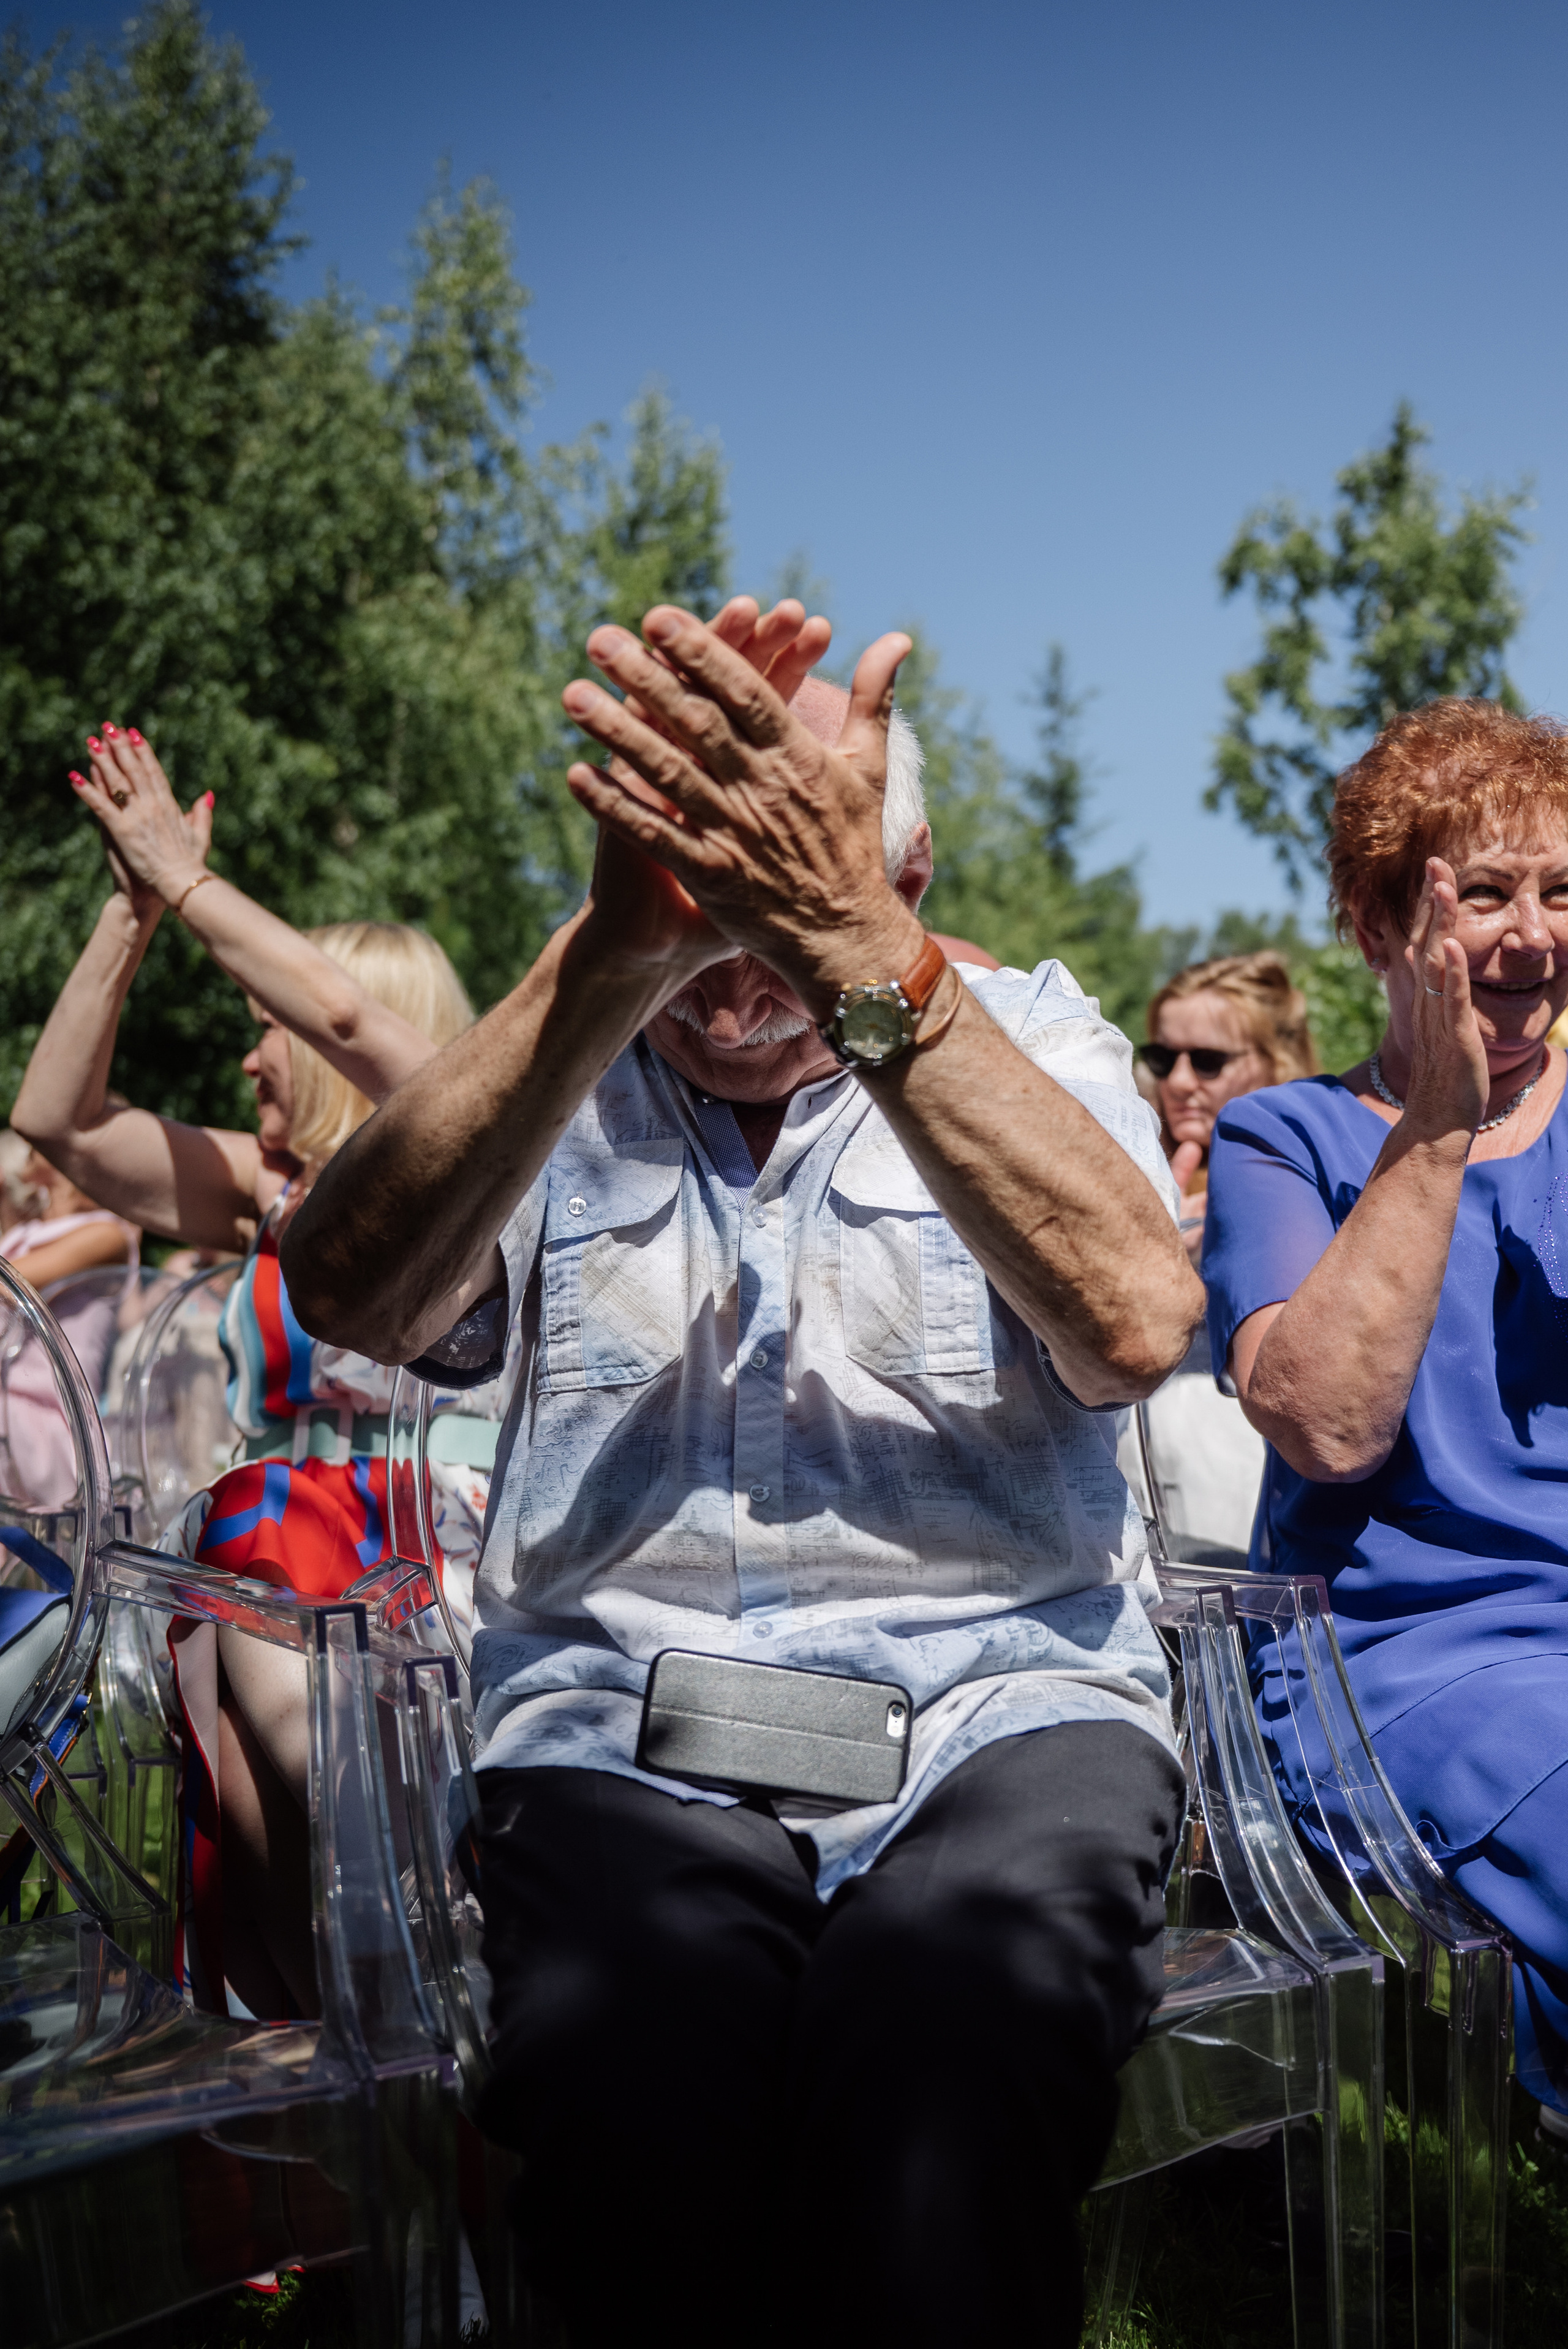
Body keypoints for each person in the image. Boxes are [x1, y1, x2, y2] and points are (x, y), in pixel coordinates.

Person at [282, 600, 1204, 2349]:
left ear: (906, 866)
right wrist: (606, 956)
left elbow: (1137, 1323)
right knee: (634, 2081)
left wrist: (860, 957)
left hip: (999, 1706)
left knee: (956, 2047)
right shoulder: (560, 1048)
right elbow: (353, 1291)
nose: (741, 944)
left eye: (798, 872)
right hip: (634, 1719)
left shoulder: (1035, 1035)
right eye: (710, 875)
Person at [10, 725, 473, 2018]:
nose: (250, 1054)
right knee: (241, 1544)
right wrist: (131, 908)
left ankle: (388, 1998)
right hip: (273, 1567)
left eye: (265, 1027)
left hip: (429, 1552)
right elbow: (58, 1122)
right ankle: (335, 2036)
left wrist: (195, 882)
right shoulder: (272, 1191)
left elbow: (341, 1017)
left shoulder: (456, 1169)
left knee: (248, 1522)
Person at [1202, 696, 1568, 2137]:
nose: (1531, 934)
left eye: (1559, 893)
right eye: (1481, 893)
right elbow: (1329, 1425)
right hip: (1406, 1655)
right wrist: (1436, 1118)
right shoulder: (1281, 1136)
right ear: (1372, 924)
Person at [1134, 955, 1317, 1554]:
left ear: (1275, 1063)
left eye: (1208, 1061)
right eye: (1164, 1058)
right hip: (1120, 1459)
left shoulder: (1316, 1184)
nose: (1181, 1081)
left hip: (1237, 1449)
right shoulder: (1126, 1168)